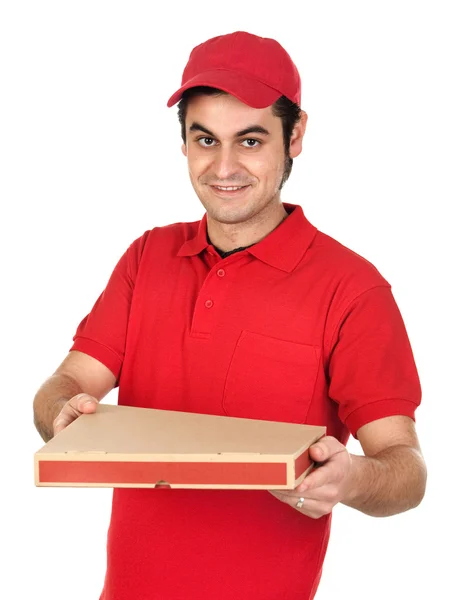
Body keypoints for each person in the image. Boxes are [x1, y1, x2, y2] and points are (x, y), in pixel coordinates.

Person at [33, 31, 427, 600]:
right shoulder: (148, 257)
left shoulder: (353, 290)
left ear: (295, 137)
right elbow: (68, 382)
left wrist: (353, 478)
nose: (223, 167)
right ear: (185, 144)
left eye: (249, 140)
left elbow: (406, 470)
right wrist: (61, 416)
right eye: (204, 139)